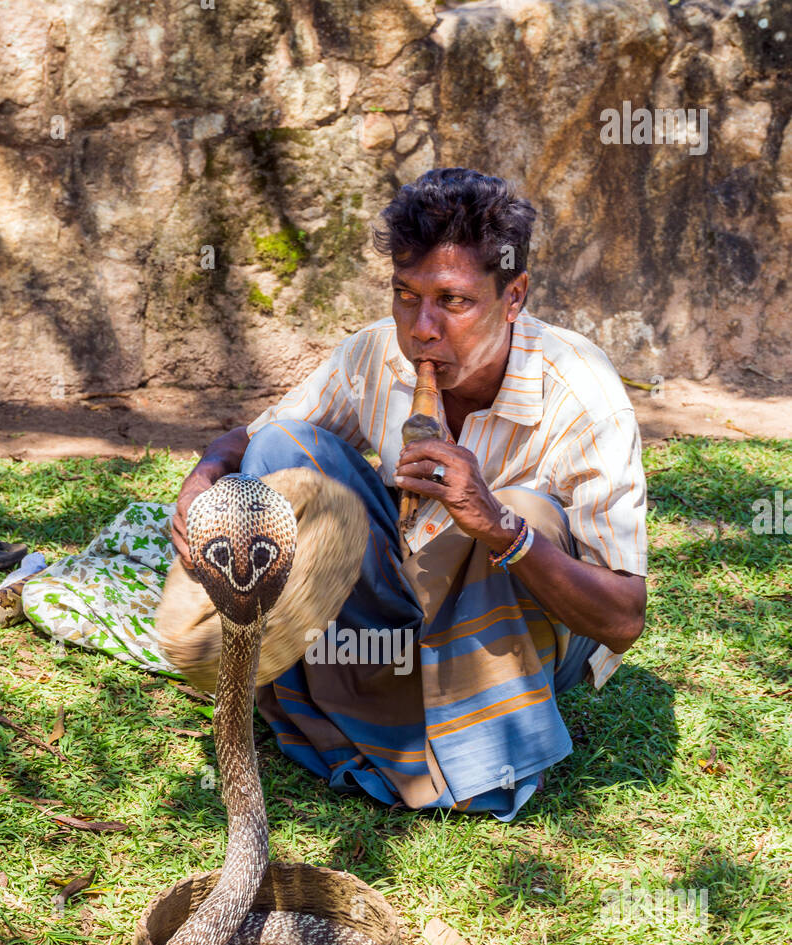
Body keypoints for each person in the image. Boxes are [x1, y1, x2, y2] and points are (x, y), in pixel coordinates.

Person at [156, 168, 647, 821]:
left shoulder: (580, 388)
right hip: (403, 610)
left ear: (514, 296)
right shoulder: (373, 356)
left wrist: (498, 525)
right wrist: (207, 473)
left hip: (528, 629)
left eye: (455, 301)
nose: (422, 328)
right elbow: (254, 439)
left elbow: (623, 618)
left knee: (530, 510)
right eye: (405, 295)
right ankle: (385, 695)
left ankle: (474, 754)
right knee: (280, 454)